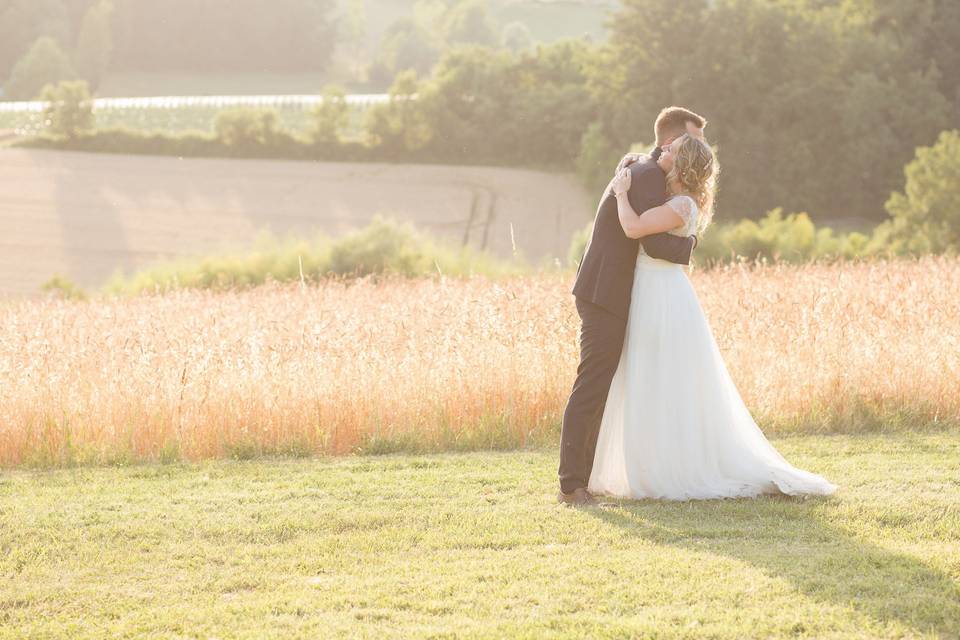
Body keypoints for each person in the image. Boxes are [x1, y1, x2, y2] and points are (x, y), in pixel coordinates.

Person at [587, 133, 837, 500]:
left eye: (670, 150)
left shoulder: (683, 205)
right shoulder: (673, 197)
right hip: (646, 289)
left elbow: (634, 228)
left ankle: (671, 467)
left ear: (682, 164)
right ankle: (645, 462)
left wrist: (622, 192)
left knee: (663, 378)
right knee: (644, 376)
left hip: (662, 296)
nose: (663, 152)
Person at [558, 107, 705, 505]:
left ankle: (584, 478)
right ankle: (571, 484)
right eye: (695, 141)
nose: (702, 149)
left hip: (613, 290)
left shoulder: (643, 169)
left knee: (604, 384)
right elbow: (652, 241)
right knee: (592, 384)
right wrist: (691, 243)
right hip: (606, 293)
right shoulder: (644, 176)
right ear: (672, 144)